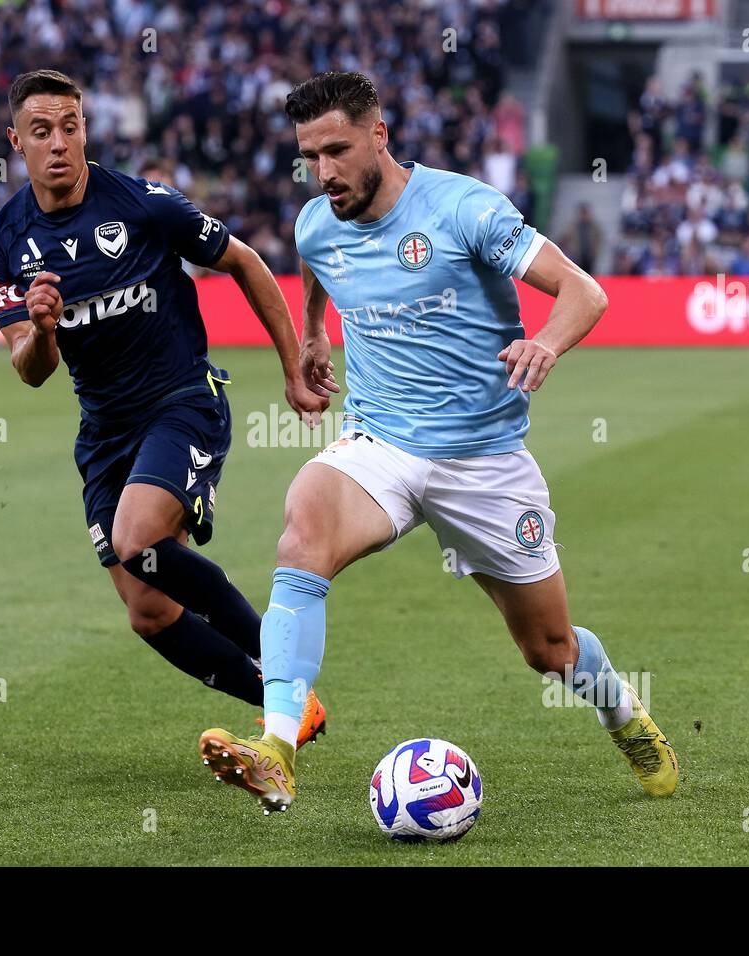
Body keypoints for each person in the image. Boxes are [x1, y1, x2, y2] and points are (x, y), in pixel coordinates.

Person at [198, 72, 678, 813]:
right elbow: (316, 266)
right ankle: (278, 746)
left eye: (337, 150)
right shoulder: (317, 221)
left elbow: (586, 291)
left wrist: (545, 343)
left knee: (549, 651)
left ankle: (623, 713)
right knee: (303, 530)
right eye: (309, 156)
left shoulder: (463, 208)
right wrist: (316, 332)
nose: (323, 172)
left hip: (484, 461)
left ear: (379, 136)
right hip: (381, 442)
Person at [0, 70, 333, 742]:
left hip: (182, 403)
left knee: (136, 539)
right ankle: (288, 704)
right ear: (16, 142)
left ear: (86, 129)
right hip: (104, 433)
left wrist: (293, 370)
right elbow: (30, 370)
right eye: (42, 131)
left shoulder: (144, 204)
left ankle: (285, 677)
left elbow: (247, 263)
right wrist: (44, 329)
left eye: (71, 127)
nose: (59, 143)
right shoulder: (3, 241)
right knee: (147, 609)